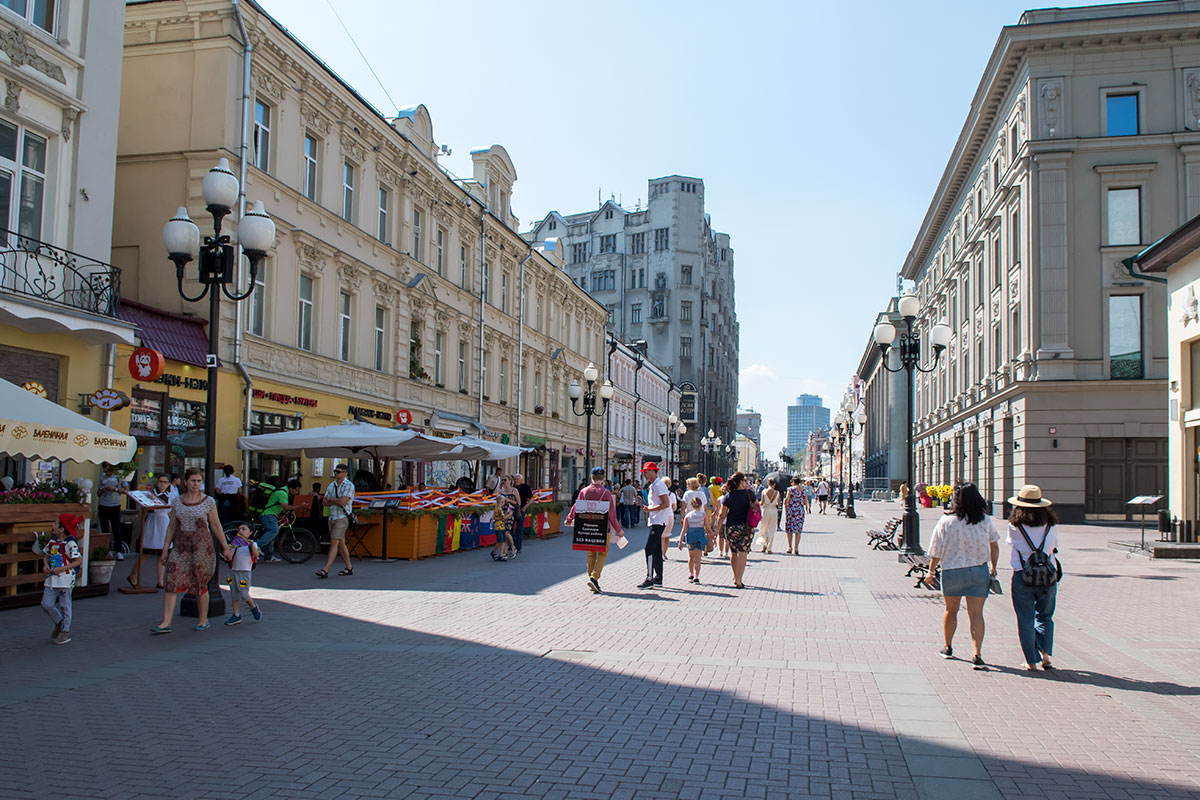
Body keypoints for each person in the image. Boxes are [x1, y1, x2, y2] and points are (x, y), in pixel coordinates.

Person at [924, 482, 999, 670]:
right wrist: (993, 567)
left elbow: (936, 550)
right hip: (978, 571)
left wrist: (931, 571)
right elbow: (994, 545)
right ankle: (977, 655)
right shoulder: (985, 520)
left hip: (952, 571)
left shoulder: (946, 521)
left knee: (951, 611)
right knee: (976, 614)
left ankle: (948, 647)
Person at [152, 467, 231, 634]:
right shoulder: (177, 501)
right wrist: (165, 548)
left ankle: (203, 619)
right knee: (171, 580)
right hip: (181, 547)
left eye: (199, 481)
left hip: (201, 548)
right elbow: (172, 526)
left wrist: (225, 546)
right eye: (193, 481)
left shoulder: (208, 502)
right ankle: (166, 622)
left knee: (200, 583)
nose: (196, 484)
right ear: (186, 482)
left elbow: (216, 525)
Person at [1006, 485, 1060, 671]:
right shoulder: (1050, 526)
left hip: (1023, 575)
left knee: (1025, 618)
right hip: (1047, 577)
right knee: (1045, 615)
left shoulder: (1014, 527)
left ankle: (1031, 661)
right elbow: (1053, 547)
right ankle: (1045, 655)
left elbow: (1012, 546)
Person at [564, 466, 623, 593]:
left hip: (586, 527)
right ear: (603, 478)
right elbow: (612, 514)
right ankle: (594, 578)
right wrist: (618, 529)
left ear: (591, 477)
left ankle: (592, 578)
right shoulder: (606, 493)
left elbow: (576, 506)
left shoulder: (584, 491)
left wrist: (569, 518)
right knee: (602, 553)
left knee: (590, 553)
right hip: (602, 527)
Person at [41, 513, 83, 645]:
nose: (52, 525)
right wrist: (46, 565)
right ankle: (59, 622)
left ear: (62, 528)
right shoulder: (52, 542)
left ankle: (65, 630)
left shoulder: (70, 543)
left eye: (55, 523)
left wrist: (62, 569)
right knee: (46, 604)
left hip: (64, 578)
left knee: (65, 605)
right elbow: (46, 555)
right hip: (52, 578)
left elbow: (78, 560)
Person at [132, 473, 174, 589]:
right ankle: (133, 575)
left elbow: (170, 511)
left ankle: (160, 581)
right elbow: (143, 510)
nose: (162, 484)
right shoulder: (151, 494)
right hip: (153, 523)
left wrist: (173, 523)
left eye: (165, 482)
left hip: (164, 523)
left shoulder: (170, 495)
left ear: (169, 484)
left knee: (163, 554)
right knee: (146, 553)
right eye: (161, 481)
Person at [715, 472, 757, 588]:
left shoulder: (729, 496)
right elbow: (757, 508)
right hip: (746, 527)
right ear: (740, 482)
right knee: (743, 552)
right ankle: (739, 579)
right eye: (744, 480)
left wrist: (716, 530)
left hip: (731, 527)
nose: (746, 483)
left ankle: (735, 577)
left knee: (733, 551)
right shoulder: (750, 494)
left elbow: (722, 515)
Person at [315, 465, 355, 579]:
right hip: (332, 517)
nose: (336, 474)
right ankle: (349, 567)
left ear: (345, 473)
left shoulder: (349, 485)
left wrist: (331, 500)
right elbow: (324, 502)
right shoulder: (331, 485)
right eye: (335, 472)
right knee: (341, 543)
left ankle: (325, 569)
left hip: (342, 517)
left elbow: (343, 502)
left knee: (334, 542)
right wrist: (335, 501)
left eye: (338, 472)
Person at [638, 462, 672, 589]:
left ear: (653, 471)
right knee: (656, 550)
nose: (645, 474)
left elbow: (666, 503)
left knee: (649, 549)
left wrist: (649, 510)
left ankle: (649, 578)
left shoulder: (659, 485)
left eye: (646, 472)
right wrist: (645, 505)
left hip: (658, 521)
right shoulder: (654, 485)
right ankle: (658, 578)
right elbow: (658, 503)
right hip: (656, 520)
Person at [224, 523, 262, 625]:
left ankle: (253, 607)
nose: (240, 530)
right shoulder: (235, 543)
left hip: (244, 572)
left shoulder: (252, 544)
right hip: (233, 571)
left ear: (250, 532)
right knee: (234, 594)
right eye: (239, 529)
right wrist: (232, 548)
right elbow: (229, 557)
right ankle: (236, 615)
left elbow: (256, 554)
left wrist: (251, 544)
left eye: (244, 529)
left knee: (244, 594)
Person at [258, 476, 299, 563]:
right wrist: (300, 506)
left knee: (271, 536)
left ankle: (268, 557)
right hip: (268, 515)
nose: (297, 492)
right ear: (291, 488)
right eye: (296, 490)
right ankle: (257, 546)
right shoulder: (282, 493)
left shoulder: (283, 492)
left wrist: (283, 513)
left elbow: (280, 506)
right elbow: (286, 506)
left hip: (271, 514)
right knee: (274, 531)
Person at [97, 463, 128, 560]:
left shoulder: (119, 476)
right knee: (104, 529)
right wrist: (102, 489)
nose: (106, 470)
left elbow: (126, 490)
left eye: (107, 468)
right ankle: (107, 550)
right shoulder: (102, 477)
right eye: (104, 468)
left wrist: (114, 489)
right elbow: (98, 493)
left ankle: (118, 551)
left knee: (116, 528)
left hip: (114, 505)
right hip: (103, 505)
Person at [677, 495, 710, 584]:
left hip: (690, 537)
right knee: (698, 558)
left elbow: (684, 530)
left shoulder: (688, 516)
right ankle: (696, 576)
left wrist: (680, 541)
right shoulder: (704, 515)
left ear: (691, 505)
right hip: (700, 537)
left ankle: (690, 573)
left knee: (691, 556)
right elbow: (707, 527)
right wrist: (713, 535)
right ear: (701, 505)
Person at [492, 475, 519, 561]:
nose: (503, 481)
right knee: (503, 533)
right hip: (501, 513)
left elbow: (518, 503)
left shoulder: (514, 490)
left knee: (506, 532)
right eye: (502, 480)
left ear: (510, 481)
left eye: (505, 480)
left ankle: (512, 547)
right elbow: (497, 501)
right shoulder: (501, 491)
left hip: (510, 513)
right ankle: (502, 552)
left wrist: (508, 500)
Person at [755, 477, 781, 554]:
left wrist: (757, 503)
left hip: (766, 510)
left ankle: (764, 545)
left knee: (764, 528)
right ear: (774, 484)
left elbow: (762, 503)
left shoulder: (764, 491)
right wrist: (775, 503)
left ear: (768, 483)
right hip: (773, 510)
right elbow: (779, 504)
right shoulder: (777, 493)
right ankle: (769, 547)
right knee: (772, 529)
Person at [784, 475, 807, 554]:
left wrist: (786, 504)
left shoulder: (790, 489)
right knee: (798, 530)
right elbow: (805, 501)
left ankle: (789, 547)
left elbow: (787, 499)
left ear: (793, 482)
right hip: (800, 512)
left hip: (791, 511)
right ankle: (796, 548)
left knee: (789, 529)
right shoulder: (803, 490)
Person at [513, 473, 533, 554]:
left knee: (519, 529)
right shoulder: (512, 488)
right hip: (511, 510)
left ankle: (518, 546)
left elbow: (531, 499)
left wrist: (525, 507)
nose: (515, 480)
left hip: (521, 510)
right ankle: (512, 544)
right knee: (510, 529)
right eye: (514, 479)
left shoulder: (525, 487)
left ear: (521, 480)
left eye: (517, 479)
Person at [708, 477, 726, 557]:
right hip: (722, 508)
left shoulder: (710, 488)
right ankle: (726, 552)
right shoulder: (720, 489)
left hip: (711, 506)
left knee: (712, 524)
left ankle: (720, 551)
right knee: (726, 537)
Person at [661, 476, 677, 559]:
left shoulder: (659, 493)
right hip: (669, 515)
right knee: (666, 536)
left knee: (659, 535)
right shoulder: (672, 495)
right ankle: (664, 553)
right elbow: (674, 508)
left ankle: (659, 553)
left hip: (660, 516)